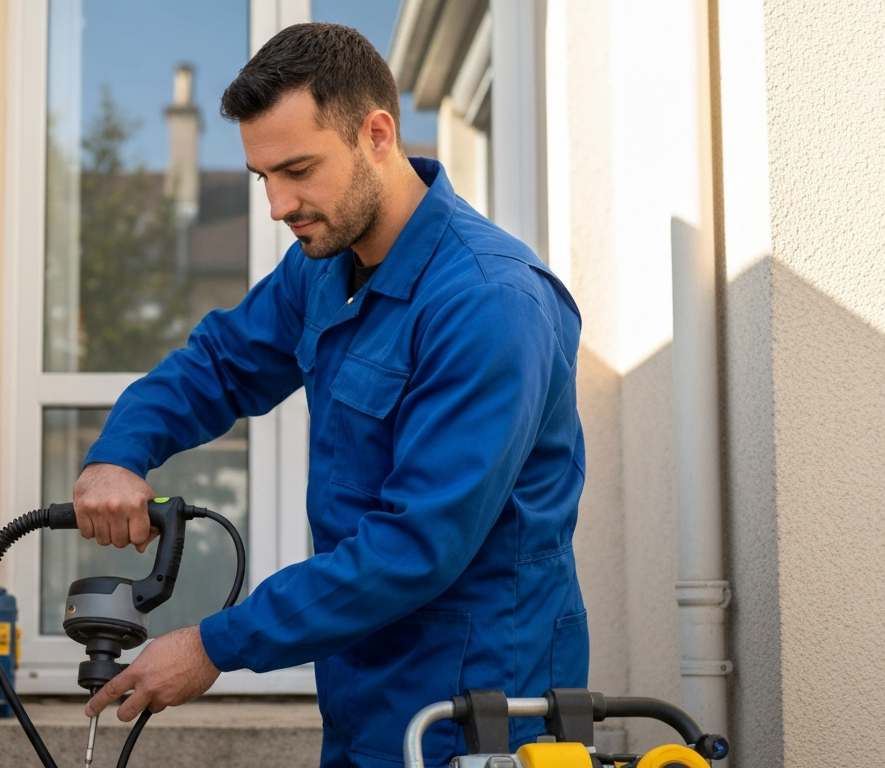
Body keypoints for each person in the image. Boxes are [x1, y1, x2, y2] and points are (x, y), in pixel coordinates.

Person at [75, 22, 587, 766]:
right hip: (361, 691)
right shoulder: (324, 265)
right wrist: (121, 453)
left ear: (377, 133)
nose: (278, 206)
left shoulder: (488, 304)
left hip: (477, 709)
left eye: (299, 170)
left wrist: (215, 643)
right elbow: (219, 362)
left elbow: (415, 547)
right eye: (262, 179)